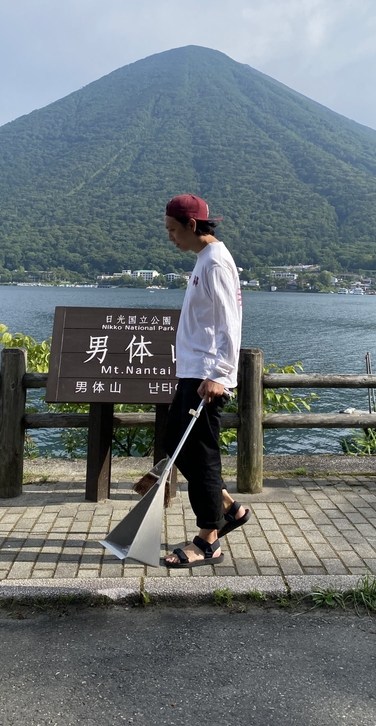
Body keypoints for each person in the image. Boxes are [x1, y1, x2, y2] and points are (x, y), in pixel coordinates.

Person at [162, 194, 250, 568]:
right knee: (174, 443)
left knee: (201, 454)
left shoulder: (214, 262)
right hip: (194, 370)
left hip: (206, 376)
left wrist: (219, 376)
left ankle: (208, 540)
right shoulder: (205, 259)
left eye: (172, 230)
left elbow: (230, 322)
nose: (170, 238)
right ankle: (228, 508)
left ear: (192, 225)